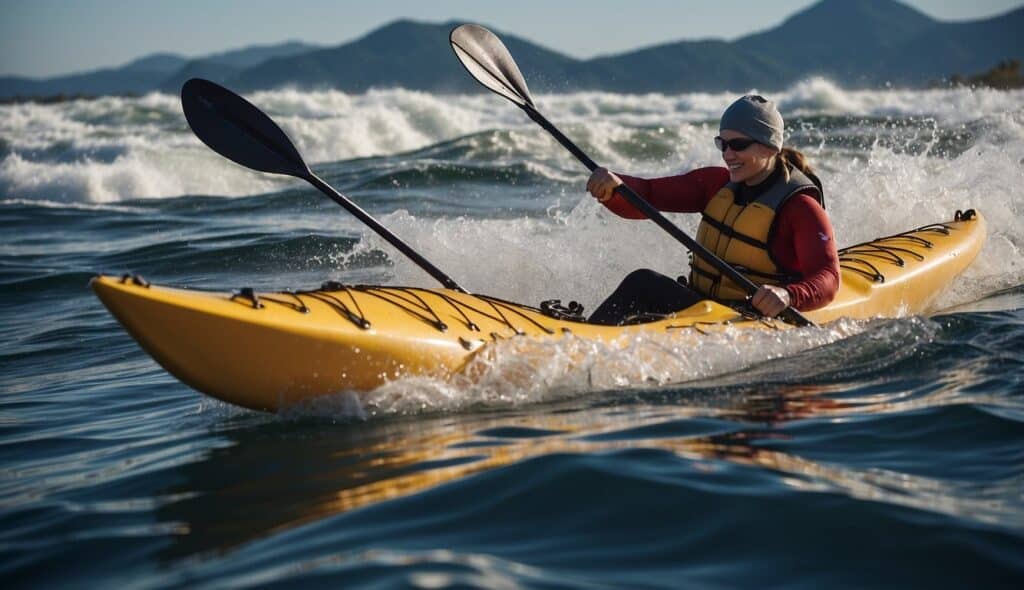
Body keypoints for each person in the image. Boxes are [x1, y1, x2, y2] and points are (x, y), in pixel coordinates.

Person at [585, 95, 839, 325]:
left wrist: (787, 294)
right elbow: (648, 196)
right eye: (722, 144)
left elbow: (828, 278)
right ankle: (585, 335)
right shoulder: (715, 184)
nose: (728, 154)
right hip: (703, 307)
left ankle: (587, 339)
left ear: (769, 147)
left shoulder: (800, 207)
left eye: (738, 145)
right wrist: (615, 187)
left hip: (751, 318)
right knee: (644, 284)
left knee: (643, 283)